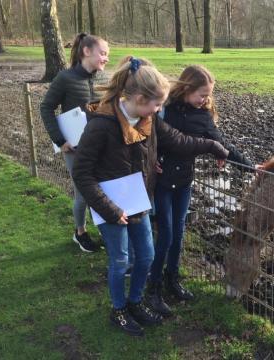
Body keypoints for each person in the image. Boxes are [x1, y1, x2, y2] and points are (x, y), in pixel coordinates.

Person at [72, 57, 229, 336]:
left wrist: (213, 146)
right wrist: (109, 209)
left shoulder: (149, 119)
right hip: (111, 207)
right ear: (140, 98)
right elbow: (82, 173)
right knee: (120, 260)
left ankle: (136, 302)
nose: (159, 110)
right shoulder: (101, 126)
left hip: (137, 201)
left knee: (146, 256)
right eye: (156, 104)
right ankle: (119, 310)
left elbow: (180, 141)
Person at [147, 65, 252, 317]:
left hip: (183, 182)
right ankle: (154, 288)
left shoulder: (203, 116)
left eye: (208, 95)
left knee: (179, 232)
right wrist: (152, 158)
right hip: (161, 182)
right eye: (202, 95)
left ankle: (173, 280)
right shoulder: (164, 109)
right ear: (186, 88)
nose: (206, 100)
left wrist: (248, 165)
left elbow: (220, 142)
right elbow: (147, 136)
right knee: (166, 234)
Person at [40, 33, 109, 253]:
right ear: (86, 51)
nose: (106, 58)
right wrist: (60, 141)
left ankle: (105, 232)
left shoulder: (100, 79)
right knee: (83, 193)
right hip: (75, 148)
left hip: (99, 147)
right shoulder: (65, 78)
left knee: (100, 191)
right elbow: (46, 108)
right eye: (103, 53)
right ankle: (80, 233)